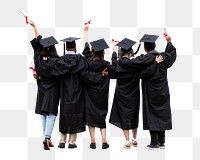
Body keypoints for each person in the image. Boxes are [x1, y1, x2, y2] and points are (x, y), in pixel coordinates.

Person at [108, 38, 163, 149]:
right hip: (134, 94)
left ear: (121, 52)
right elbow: (146, 66)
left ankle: (127, 141)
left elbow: (113, 66)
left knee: (124, 116)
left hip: (122, 94)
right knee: (133, 116)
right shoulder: (135, 63)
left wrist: (114, 49)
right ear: (131, 52)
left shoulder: (119, 64)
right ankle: (135, 139)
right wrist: (155, 62)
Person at [139, 34, 176, 151]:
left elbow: (141, 74)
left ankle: (154, 143)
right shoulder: (163, 56)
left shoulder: (145, 59)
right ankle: (162, 142)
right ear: (155, 45)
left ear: (145, 48)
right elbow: (173, 54)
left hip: (151, 93)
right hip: (163, 92)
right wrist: (169, 42)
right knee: (162, 114)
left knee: (152, 115)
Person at [29, 20, 60, 150]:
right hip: (53, 89)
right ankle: (47, 138)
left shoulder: (37, 57)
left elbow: (37, 44)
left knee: (43, 113)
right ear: (53, 48)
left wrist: (35, 27)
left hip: (41, 87)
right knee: (51, 113)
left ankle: (45, 138)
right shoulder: (57, 61)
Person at [82, 24, 110, 149]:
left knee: (91, 116)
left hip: (89, 94)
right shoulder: (106, 64)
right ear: (103, 52)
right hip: (102, 95)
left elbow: (85, 48)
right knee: (101, 115)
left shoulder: (87, 61)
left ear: (93, 51)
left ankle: (93, 141)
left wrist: (86, 32)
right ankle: (104, 140)